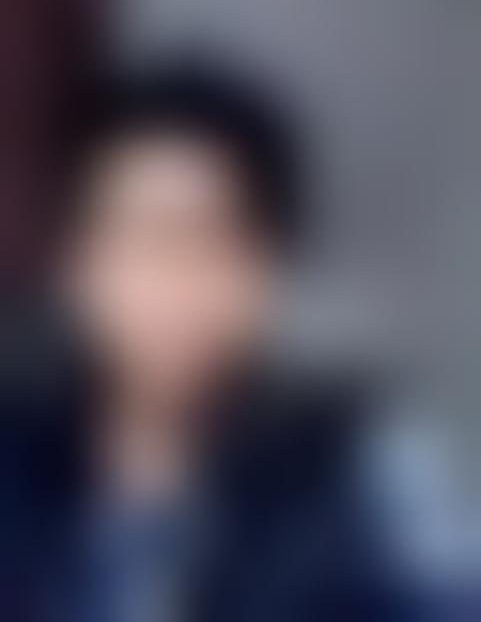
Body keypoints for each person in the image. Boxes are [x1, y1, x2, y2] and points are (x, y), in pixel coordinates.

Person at [0, 59, 438, 622]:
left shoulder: (361, 476)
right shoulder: (15, 458)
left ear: (267, 275)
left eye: (215, 241)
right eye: (144, 239)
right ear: (78, 267)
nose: (177, 283)